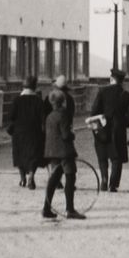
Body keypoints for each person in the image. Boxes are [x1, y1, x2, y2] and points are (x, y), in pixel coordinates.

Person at [88, 67, 129, 193]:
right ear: (122, 82)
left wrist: (97, 127)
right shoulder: (127, 95)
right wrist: (123, 123)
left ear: (111, 79)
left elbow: (93, 112)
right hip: (118, 131)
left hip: (102, 130)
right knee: (116, 158)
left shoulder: (102, 92)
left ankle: (104, 179)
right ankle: (113, 185)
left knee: (102, 157)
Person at [40, 87, 86, 220]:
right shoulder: (64, 114)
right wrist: (72, 135)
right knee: (70, 178)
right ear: (63, 101)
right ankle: (70, 209)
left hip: (52, 152)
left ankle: (46, 209)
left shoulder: (50, 116)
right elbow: (66, 135)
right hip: (65, 151)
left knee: (53, 180)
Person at [6, 75, 48, 189]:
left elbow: (11, 117)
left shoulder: (17, 100)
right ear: (35, 86)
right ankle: (31, 176)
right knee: (33, 155)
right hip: (34, 133)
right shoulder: (39, 101)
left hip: (19, 133)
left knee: (20, 155)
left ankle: (22, 178)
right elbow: (43, 118)